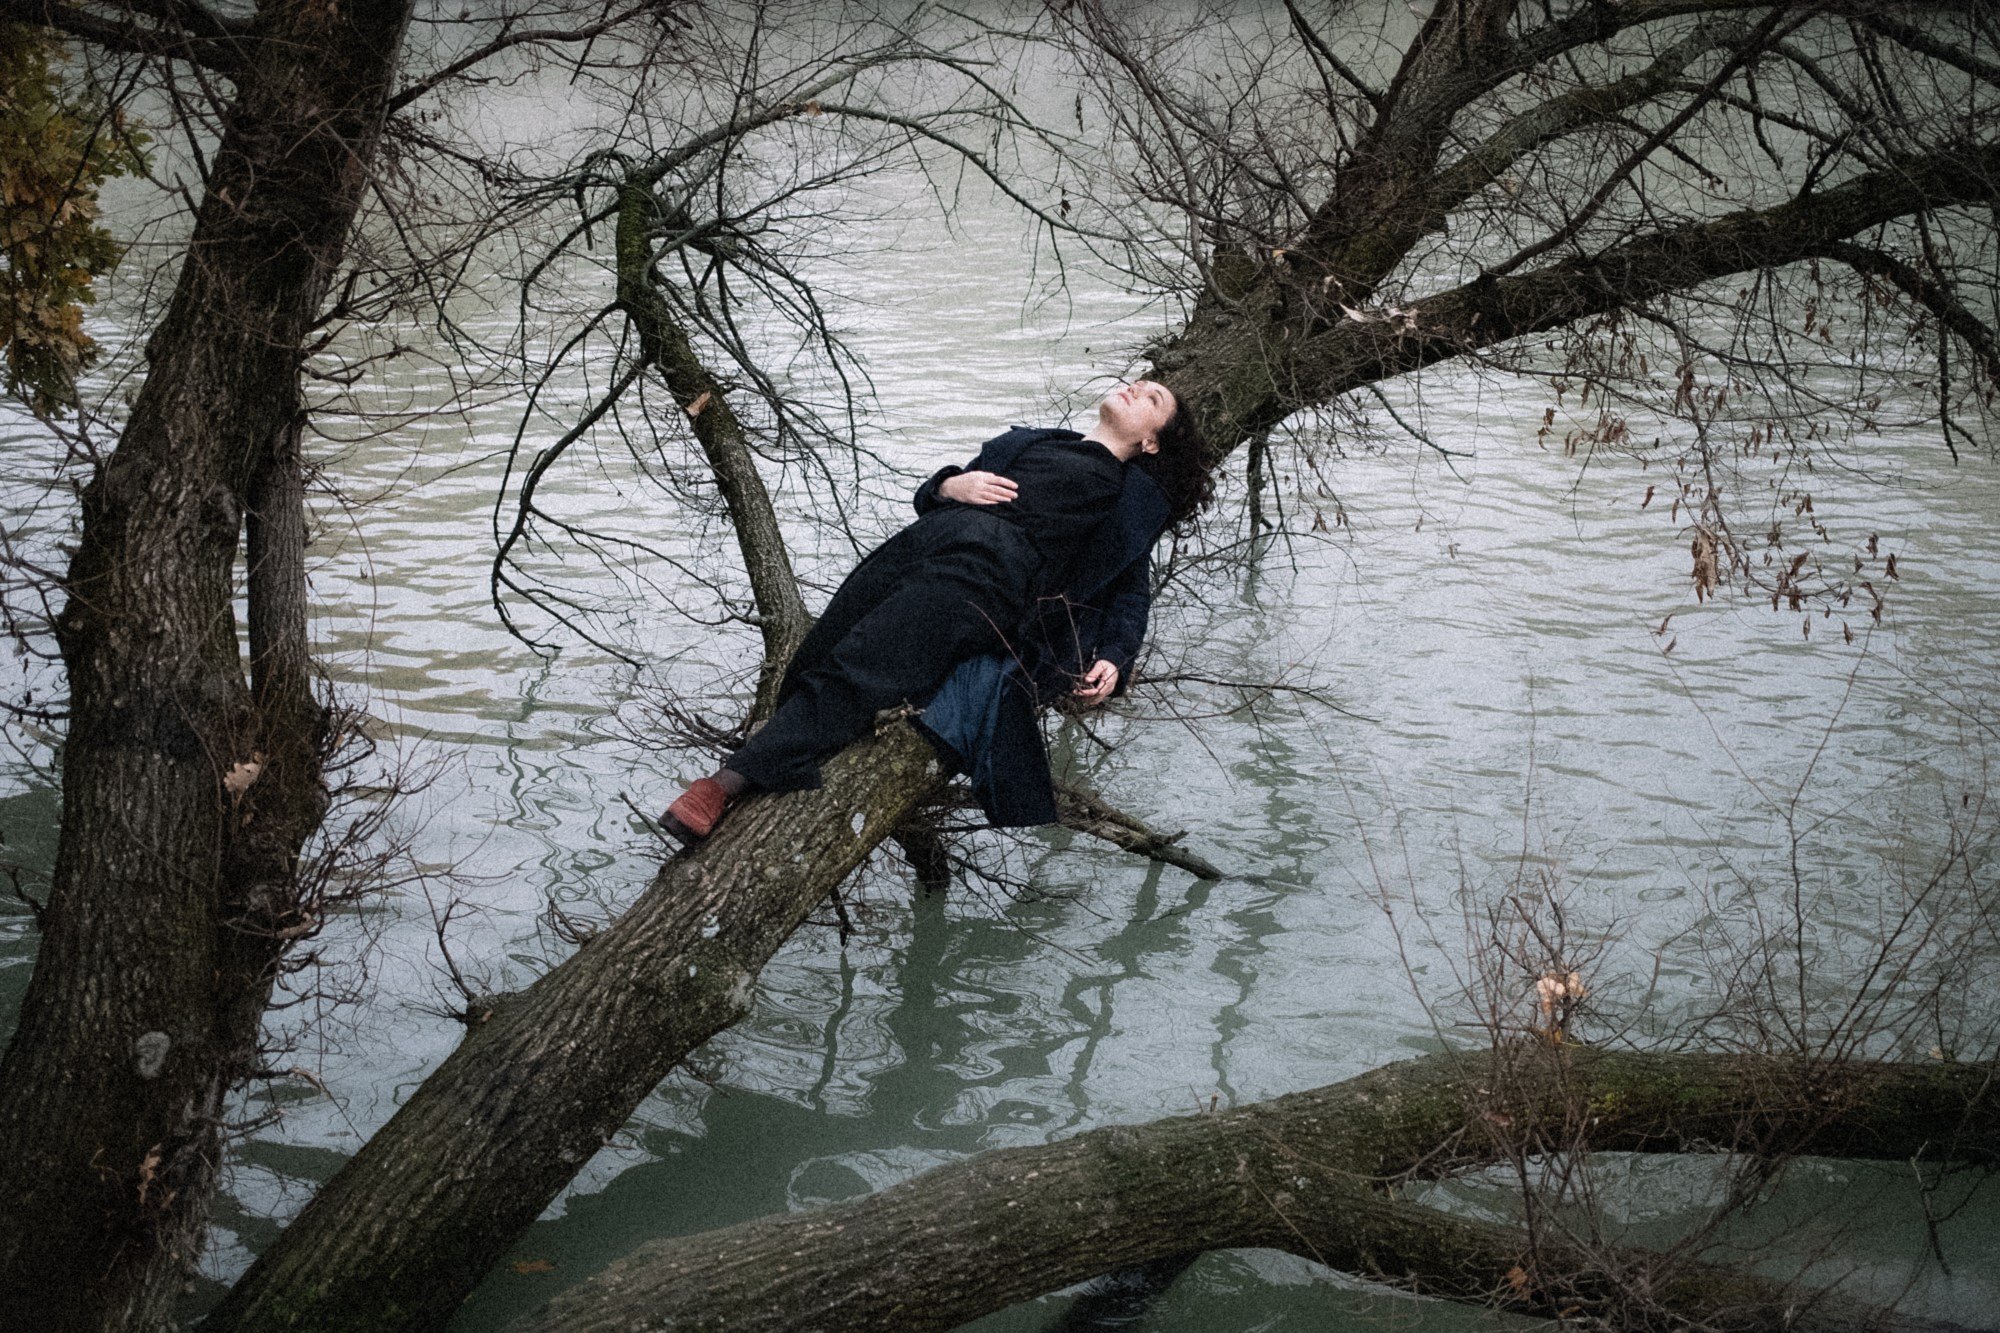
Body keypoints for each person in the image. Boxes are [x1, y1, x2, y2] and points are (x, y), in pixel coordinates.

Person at [659, 379, 1212, 844]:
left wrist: (1116, 655)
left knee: (865, 664)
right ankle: (782, 758)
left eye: (1154, 400)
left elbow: (1128, 588)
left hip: (988, 573)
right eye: (1140, 382)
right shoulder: (1031, 442)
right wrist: (951, 481)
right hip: (924, 544)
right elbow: (934, 495)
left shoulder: (1129, 498)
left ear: (1151, 443)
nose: (1138, 387)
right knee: (823, 647)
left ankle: (724, 786)